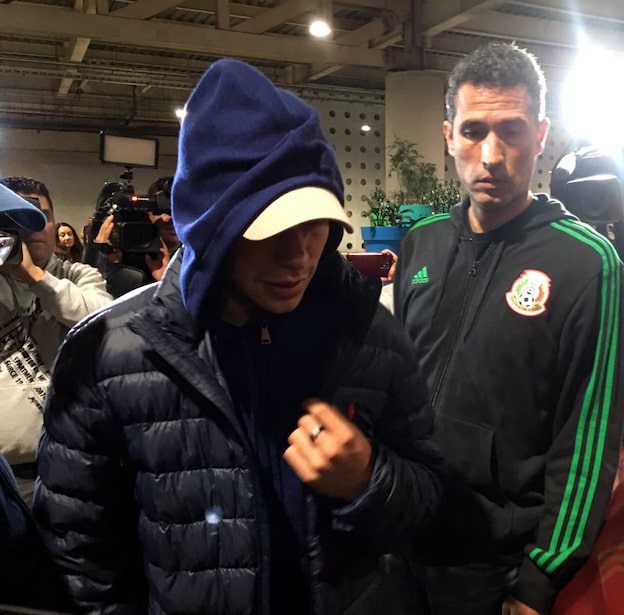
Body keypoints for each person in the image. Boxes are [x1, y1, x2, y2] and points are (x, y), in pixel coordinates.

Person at [34, 58, 443, 614]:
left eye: (315, 221)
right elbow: (79, 551)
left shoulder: (368, 333)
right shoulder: (108, 355)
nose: (298, 254)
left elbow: (431, 500)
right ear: (210, 226)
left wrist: (369, 479)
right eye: (269, 229)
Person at [394, 42, 624, 615]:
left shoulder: (585, 261)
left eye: (512, 131)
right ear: (449, 135)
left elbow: (589, 435)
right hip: (399, 539)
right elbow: (396, 386)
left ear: (541, 135)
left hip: (494, 566)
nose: (491, 155)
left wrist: (542, 576)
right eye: (473, 131)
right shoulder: (423, 241)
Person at [0, 177, 112, 503]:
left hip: (67, 459)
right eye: (15, 218)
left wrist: (33, 276)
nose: (31, 227)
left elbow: (102, 320)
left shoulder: (79, 275)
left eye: (41, 215)